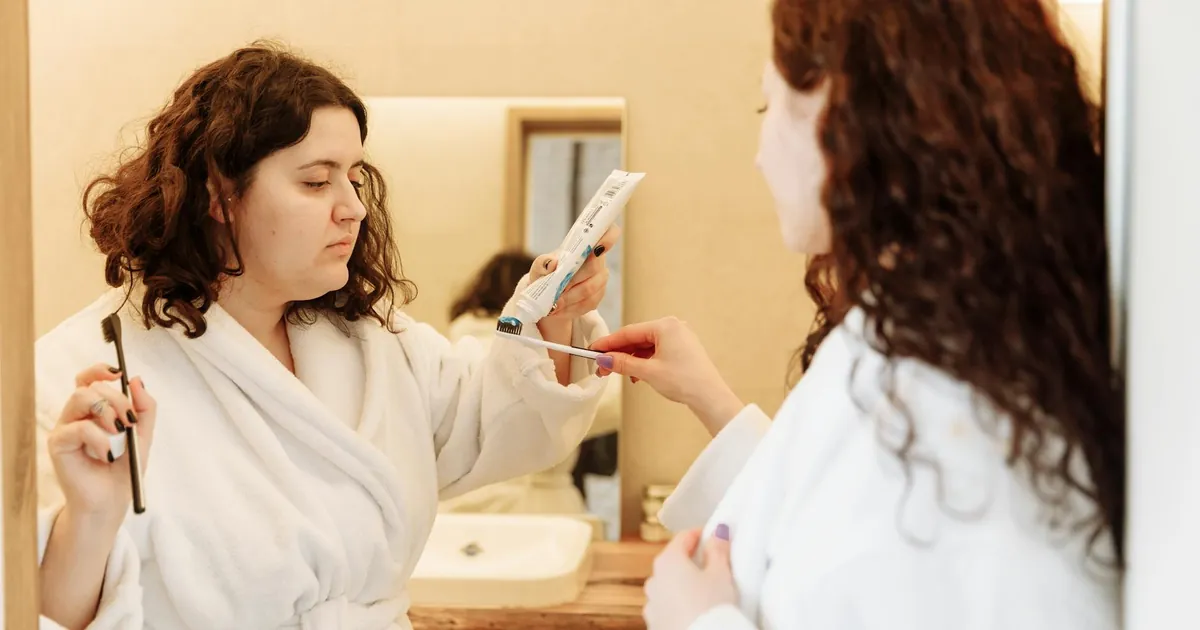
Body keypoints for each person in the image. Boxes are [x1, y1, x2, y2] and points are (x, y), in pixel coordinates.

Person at [35, 44, 618, 630]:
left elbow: (495, 418)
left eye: (355, 178)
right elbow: (40, 608)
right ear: (218, 193)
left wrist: (551, 313)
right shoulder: (80, 372)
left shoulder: (371, 341)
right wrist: (89, 515)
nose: (355, 209)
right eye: (316, 183)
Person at [592, 1, 1123, 628]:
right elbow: (837, 518)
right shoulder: (954, 334)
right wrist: (708, 397)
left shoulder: (942, 407)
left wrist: (698, 620)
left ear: (845, 116)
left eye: (770, 107)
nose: (760, 156)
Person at [437, 251, 622, 517]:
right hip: (543, 512)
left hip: (460, 514)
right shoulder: (551, 354)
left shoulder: (453, 356)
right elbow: (615, 404)